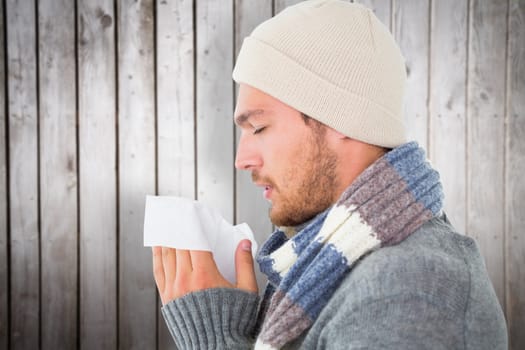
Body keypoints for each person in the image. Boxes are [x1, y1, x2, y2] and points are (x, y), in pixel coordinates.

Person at [152, 1, 508, 349]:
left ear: (341, 117)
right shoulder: (328, 263)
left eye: (258, 127)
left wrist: (216, 342)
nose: (241, 159)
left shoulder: (408, 292)